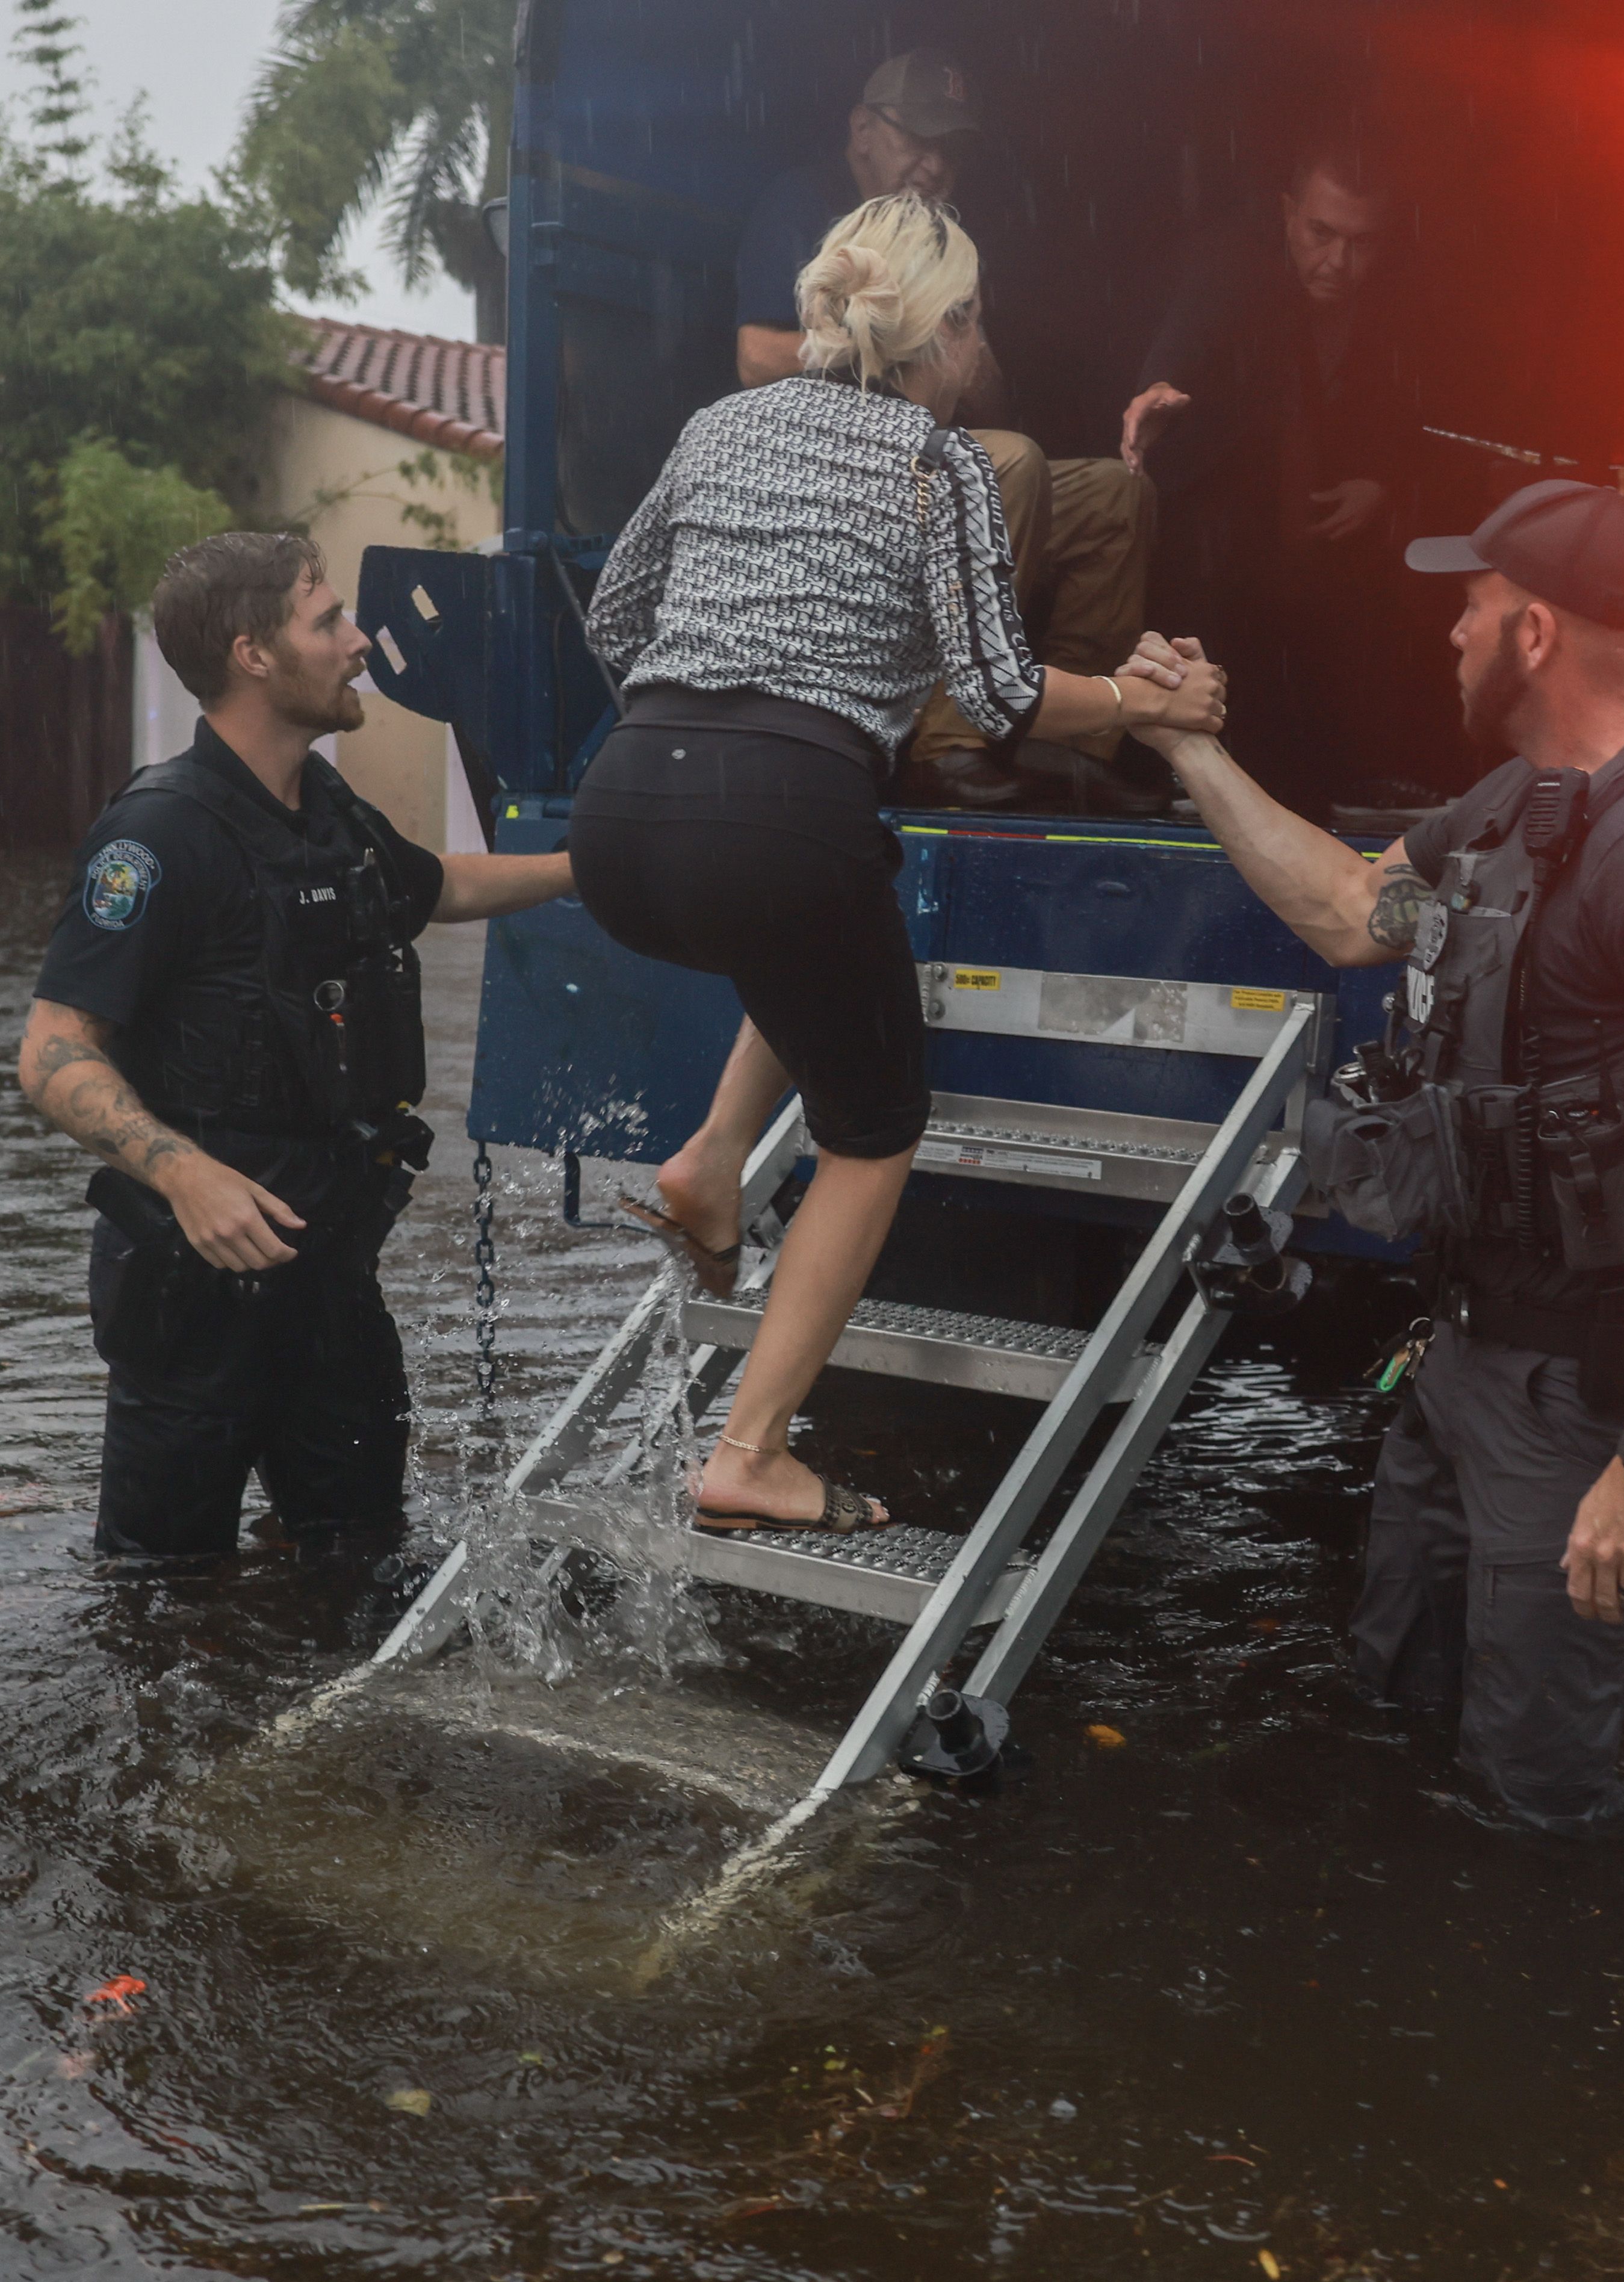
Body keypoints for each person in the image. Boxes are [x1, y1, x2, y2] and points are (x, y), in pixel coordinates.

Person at [1121, 480, 1624, 1833]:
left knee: (1535, 1797)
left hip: (1579, 1399)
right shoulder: (1521, 803)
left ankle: (1540, 2006)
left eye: (1473, 605)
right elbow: (1349, 910)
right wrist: (1187, 751)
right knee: (1398, 1716)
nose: (1452, 630)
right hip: (1466, 1355)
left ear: (1537, 632)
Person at [578, 193, 1227, 1537]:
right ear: (954, 328)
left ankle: (707, 1161)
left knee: (818, 916)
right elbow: (995, 689)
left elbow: (615, 616)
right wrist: (1139, 708)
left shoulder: (718, 425)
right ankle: (751, 1452)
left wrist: (700, 723)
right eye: (980, 314)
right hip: (781, 825)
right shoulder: (942, 465)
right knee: (873, 1133)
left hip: (625, 813)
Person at [17, 533, 577, 1560]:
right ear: (254, 655)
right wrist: (186, 1174)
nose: (360, 643)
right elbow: (53, 1053)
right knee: (159, 1595)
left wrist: (585, 868)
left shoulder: (330, 810)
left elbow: (435, 885)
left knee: (357, 1559)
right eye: (328, 622)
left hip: (332, 1275)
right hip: (197, 1294)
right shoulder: (156, 834)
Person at [731, 49, 1159, 813]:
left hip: (936, 465)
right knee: (1009, 465)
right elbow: (756, 358)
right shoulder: (804, 202)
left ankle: (1061, 742)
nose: (934, 164)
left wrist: (970, 341)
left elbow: (983, 407)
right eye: (916, 139)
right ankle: (945, 746)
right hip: (845, 475)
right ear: (863, 129)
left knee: (1112, 495)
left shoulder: (949, 235)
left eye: (951, 150)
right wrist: (891, 344)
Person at [1121, 138, 1431, 816]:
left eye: (1362, 242)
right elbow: (1183, 345)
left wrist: (1385, 483)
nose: (1340, 262)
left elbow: (1425, 415)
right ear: (1289, 214)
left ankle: (1360, 774)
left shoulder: (1400, 303)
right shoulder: (1234, 267)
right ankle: (1188, 769)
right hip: (1225, 524)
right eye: (1322, 234)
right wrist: (1159, 390)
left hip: (1330, 533)